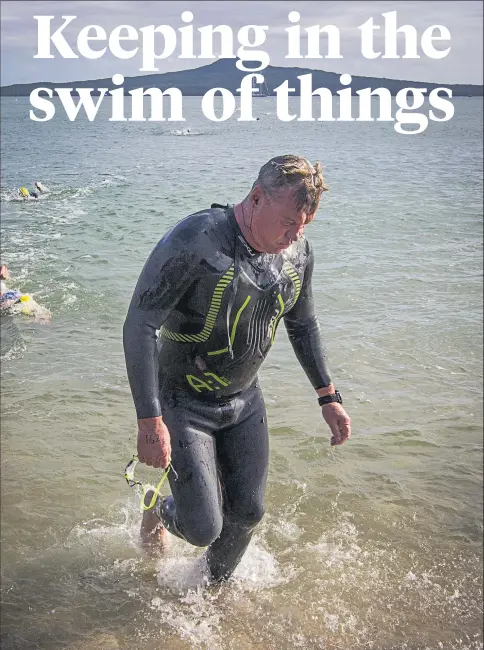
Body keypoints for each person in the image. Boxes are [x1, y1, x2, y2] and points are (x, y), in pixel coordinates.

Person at [123, 154, 352, 584]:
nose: (295, 234)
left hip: (243, 401)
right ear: (256, 197)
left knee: (247, 513)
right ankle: (156, 505)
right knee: (203, 527)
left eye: (304, 224)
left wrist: (328, 397)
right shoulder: (198, 240)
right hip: (182, 401)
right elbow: (140, 324)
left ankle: (210, 592)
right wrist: (149, 420)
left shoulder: (298, 254)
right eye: (287, 221)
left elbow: (303, 325)